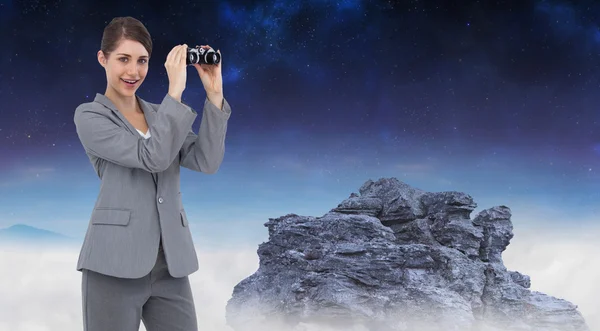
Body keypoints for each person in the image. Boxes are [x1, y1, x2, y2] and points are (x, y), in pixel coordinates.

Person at [73, 16, 231, 331]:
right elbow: (152, 157)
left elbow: (206, 161)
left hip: (170, 263)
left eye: (142, 61)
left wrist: (214, 94)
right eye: (123, 59)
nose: (133, 71)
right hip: (112, 264)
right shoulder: (90, 116)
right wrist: (175, 92)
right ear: (103, 59)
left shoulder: (161, 114)